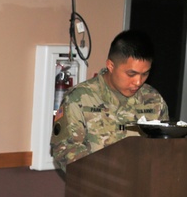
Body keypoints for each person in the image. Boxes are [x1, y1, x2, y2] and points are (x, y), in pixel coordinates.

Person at [50, 30, 169, 170]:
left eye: (145, 74)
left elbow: (164, 149)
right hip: (97, 185)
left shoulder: (153, 100)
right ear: (111, 66)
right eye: (131, 74)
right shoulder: (80, 99)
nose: (138, 82)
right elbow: (64, 152)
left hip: (142, 186)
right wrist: (108, 171)